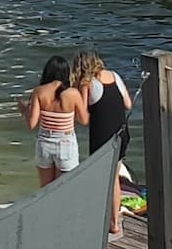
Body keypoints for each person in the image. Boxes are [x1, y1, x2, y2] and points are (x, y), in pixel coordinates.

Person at [72, 50, 132, 241]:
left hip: (103, 139)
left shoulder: (86, 83)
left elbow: (82, 118)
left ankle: (113, 225)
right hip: (122, 135)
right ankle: (112, 216)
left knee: (110, 180)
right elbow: (128, 104)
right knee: (112, 177)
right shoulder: (115, 76)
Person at [18, 55, 88, 188]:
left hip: (45, 143)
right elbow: (83, 120)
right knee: (66, 189)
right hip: (66, 143)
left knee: (45, 190)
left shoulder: (39, 92)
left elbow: (32, 124)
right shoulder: (72, 93)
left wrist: (24, 110)